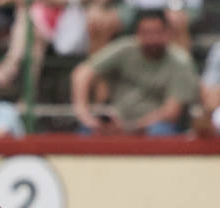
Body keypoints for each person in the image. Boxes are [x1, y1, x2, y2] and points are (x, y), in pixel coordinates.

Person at [69, 8, 198, 134]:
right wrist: (83, 114)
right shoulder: (125, 49)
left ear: (167, 33)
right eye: (146, 33)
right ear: (137, 34)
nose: (152, 39)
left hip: (154, 126)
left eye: (157, 32)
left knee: (161, 131)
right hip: (115, 121)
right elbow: (82, 73)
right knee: (86, 131)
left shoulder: (181, 61)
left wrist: (129, 128)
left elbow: (171, 113)